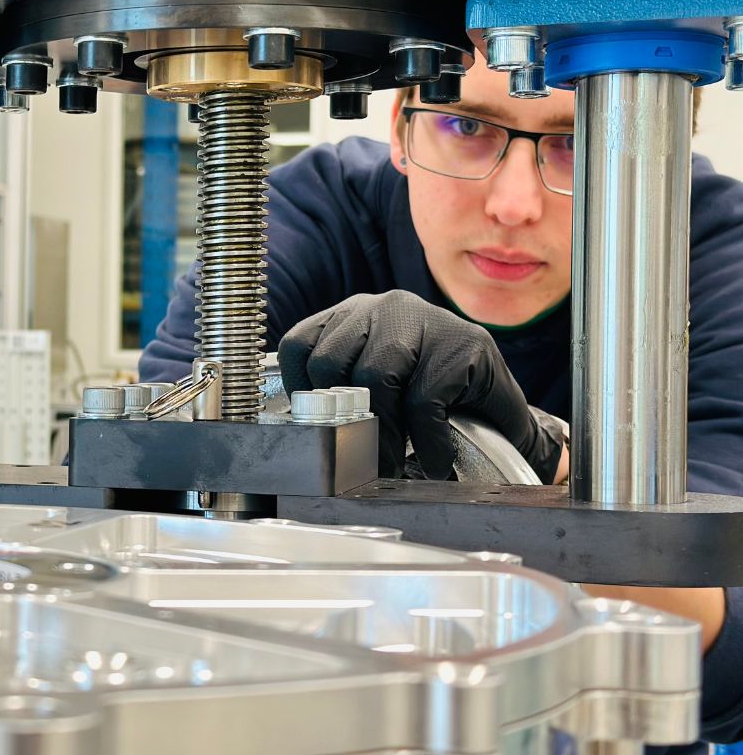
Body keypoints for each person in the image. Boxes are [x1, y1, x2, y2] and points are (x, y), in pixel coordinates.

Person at [139, 55, 743, 751]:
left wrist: (544, 462)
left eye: (578, 143)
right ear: (402, 129)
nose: (513, 204)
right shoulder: (310, 215)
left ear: (666, 157)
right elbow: (143, 492)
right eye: (466, 125)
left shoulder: (711, 251)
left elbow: (723, 642)